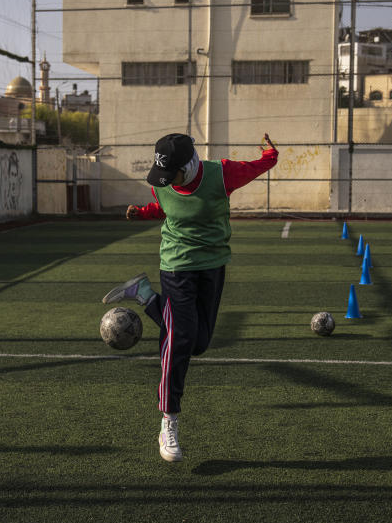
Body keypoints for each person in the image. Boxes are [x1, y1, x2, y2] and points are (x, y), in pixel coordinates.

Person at [102, 132, 278, 462]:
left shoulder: (222, 174)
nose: (166, 181)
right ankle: (169, 419)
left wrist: (270, 152)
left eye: (173, 174)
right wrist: (143, 212)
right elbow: (163, 206)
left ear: (192, 163)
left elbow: (259, 165)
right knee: (179, 339)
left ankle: (143, 295)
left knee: (200, 343)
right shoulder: (163, 181)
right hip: (176, 265)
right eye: (162, 176)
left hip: (212, 265)